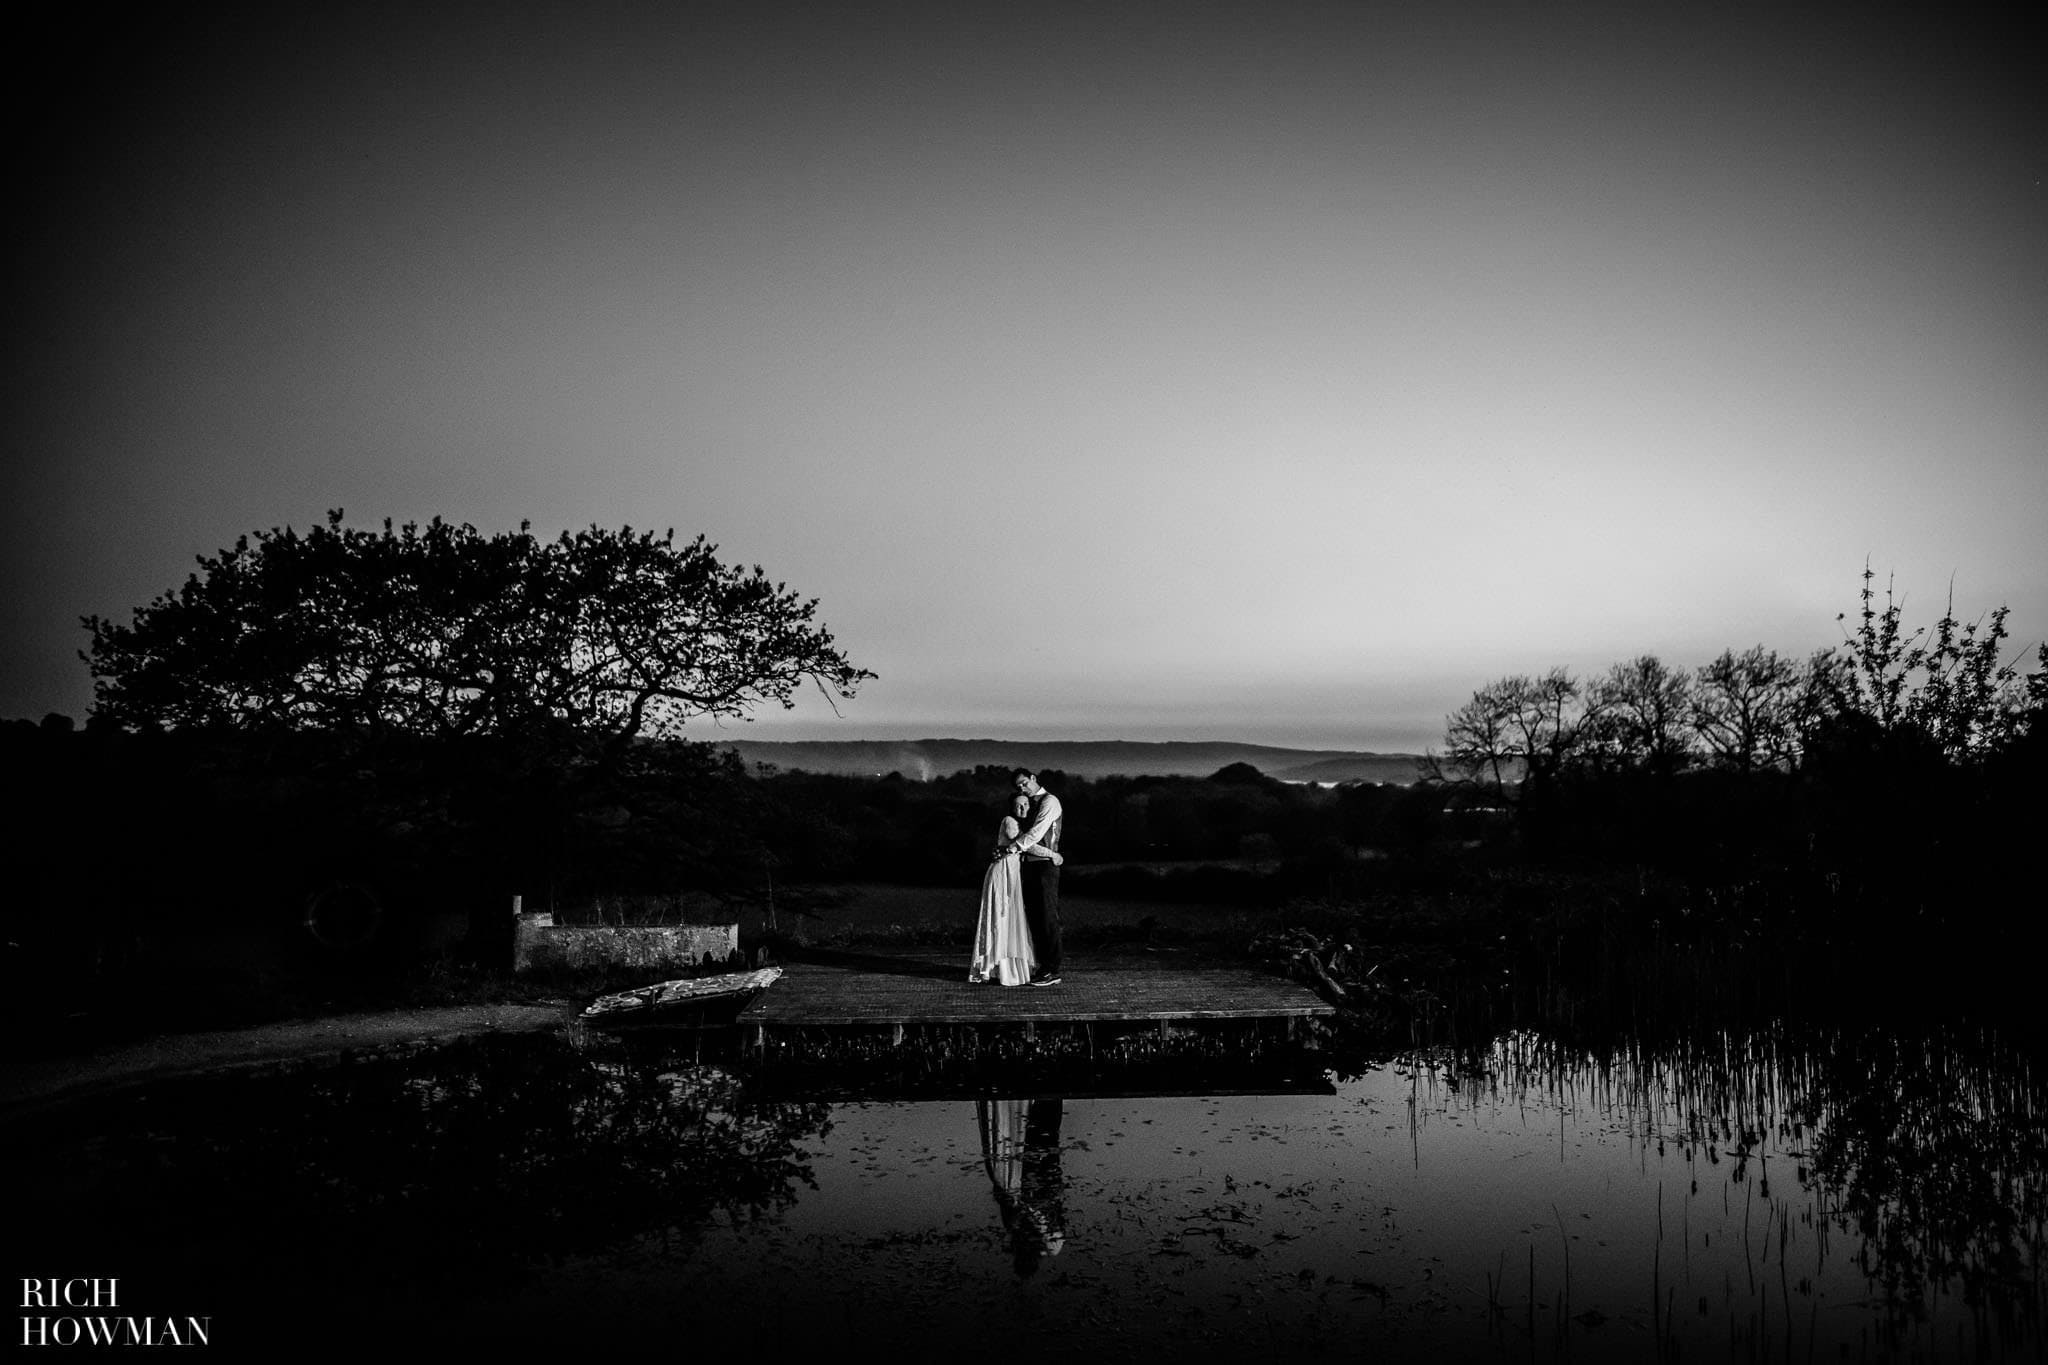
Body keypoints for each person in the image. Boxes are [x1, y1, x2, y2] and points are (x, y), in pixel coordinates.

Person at [968, 794, 1057, 985]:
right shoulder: (1009, 822)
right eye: (1018, 805)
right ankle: (995, 967)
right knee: (1001, 917)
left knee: (1011, 919)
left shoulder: (1021, 824)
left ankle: (1007, 969)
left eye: (1026, 804)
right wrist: (1053, 855)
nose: (1023, 808)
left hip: (1012, 875)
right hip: (1003, 874)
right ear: (1011, 808)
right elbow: (1028, 846)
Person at [999, 769, 1065, 985]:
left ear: (1034, 778)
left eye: (1025, 783)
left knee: (1047, 917)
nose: (1022, 788)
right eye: (1018, 786)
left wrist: (1013, 847)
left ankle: (1052, 970)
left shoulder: (1050, 801)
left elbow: (1037, 833)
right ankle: (1041, 966)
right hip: (1028, 865)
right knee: (1034, 918)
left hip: (1045, 866)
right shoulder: (1028, 804)